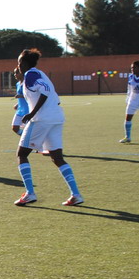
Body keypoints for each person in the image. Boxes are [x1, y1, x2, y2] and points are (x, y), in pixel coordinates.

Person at [13, 48, 83, 207]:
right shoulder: (38, 73)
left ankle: (30, 193)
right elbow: (49, 94)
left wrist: (32, 114)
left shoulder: (31, 75)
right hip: (56, 117)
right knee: (57, 157)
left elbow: (44, 91)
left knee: (22, 154)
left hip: (41, 119)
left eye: (18, 62)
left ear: (23, 63)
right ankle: (76, 194)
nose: (18, 66)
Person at [11, 67, 29, 135]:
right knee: (15, 128)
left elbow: (31, 95)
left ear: (22, 73)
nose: (15, 74)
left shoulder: (26, 83)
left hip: (28, 110)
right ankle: (25, 137)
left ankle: (27, 140)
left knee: (28, 129)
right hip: (20, 110)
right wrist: (18, 104)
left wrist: (20, 96)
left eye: (17, 73)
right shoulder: (17, 84)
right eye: (14, 73)